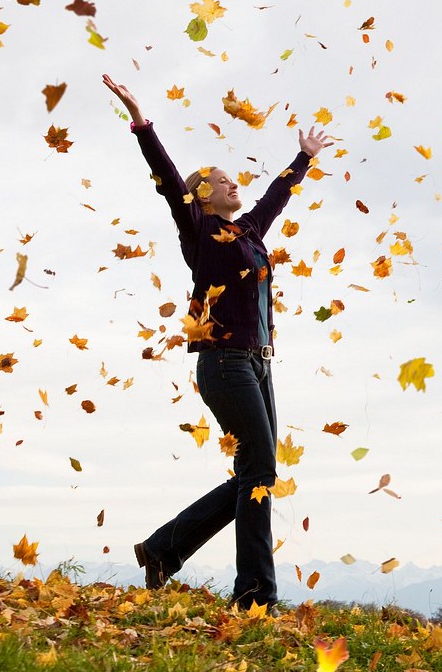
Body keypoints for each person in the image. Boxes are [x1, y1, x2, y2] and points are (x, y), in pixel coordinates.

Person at [101, 74, 332, 610]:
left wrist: (303, 159)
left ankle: (164, 550)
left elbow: (277, 199)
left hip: (259, 365)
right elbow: (165, 175)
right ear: (203, 194)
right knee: (260, 471)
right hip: (224, 363)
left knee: (259, 472)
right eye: (223, 181)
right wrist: (141, 120)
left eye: (234, 180)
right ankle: (253, 597)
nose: (235, 185)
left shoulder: (248, 232)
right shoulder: (199, 231)